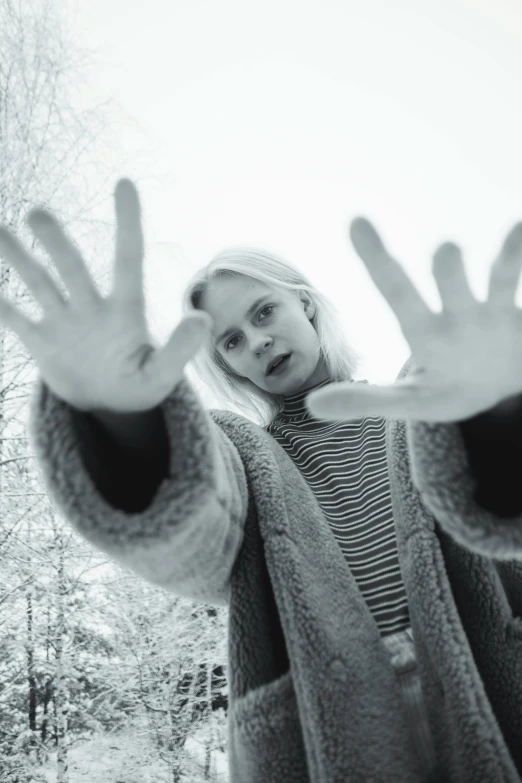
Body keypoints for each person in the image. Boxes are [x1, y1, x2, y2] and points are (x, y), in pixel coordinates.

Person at [1, 178, 521, 782]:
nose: (257, 341)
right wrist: (127, 423)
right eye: (232, 341)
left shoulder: (424, 402)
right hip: (333, 729)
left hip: (485, 680)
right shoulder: (247, 457)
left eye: (264, 311)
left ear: (305, 302)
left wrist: (500, 413)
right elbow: (193, 531)